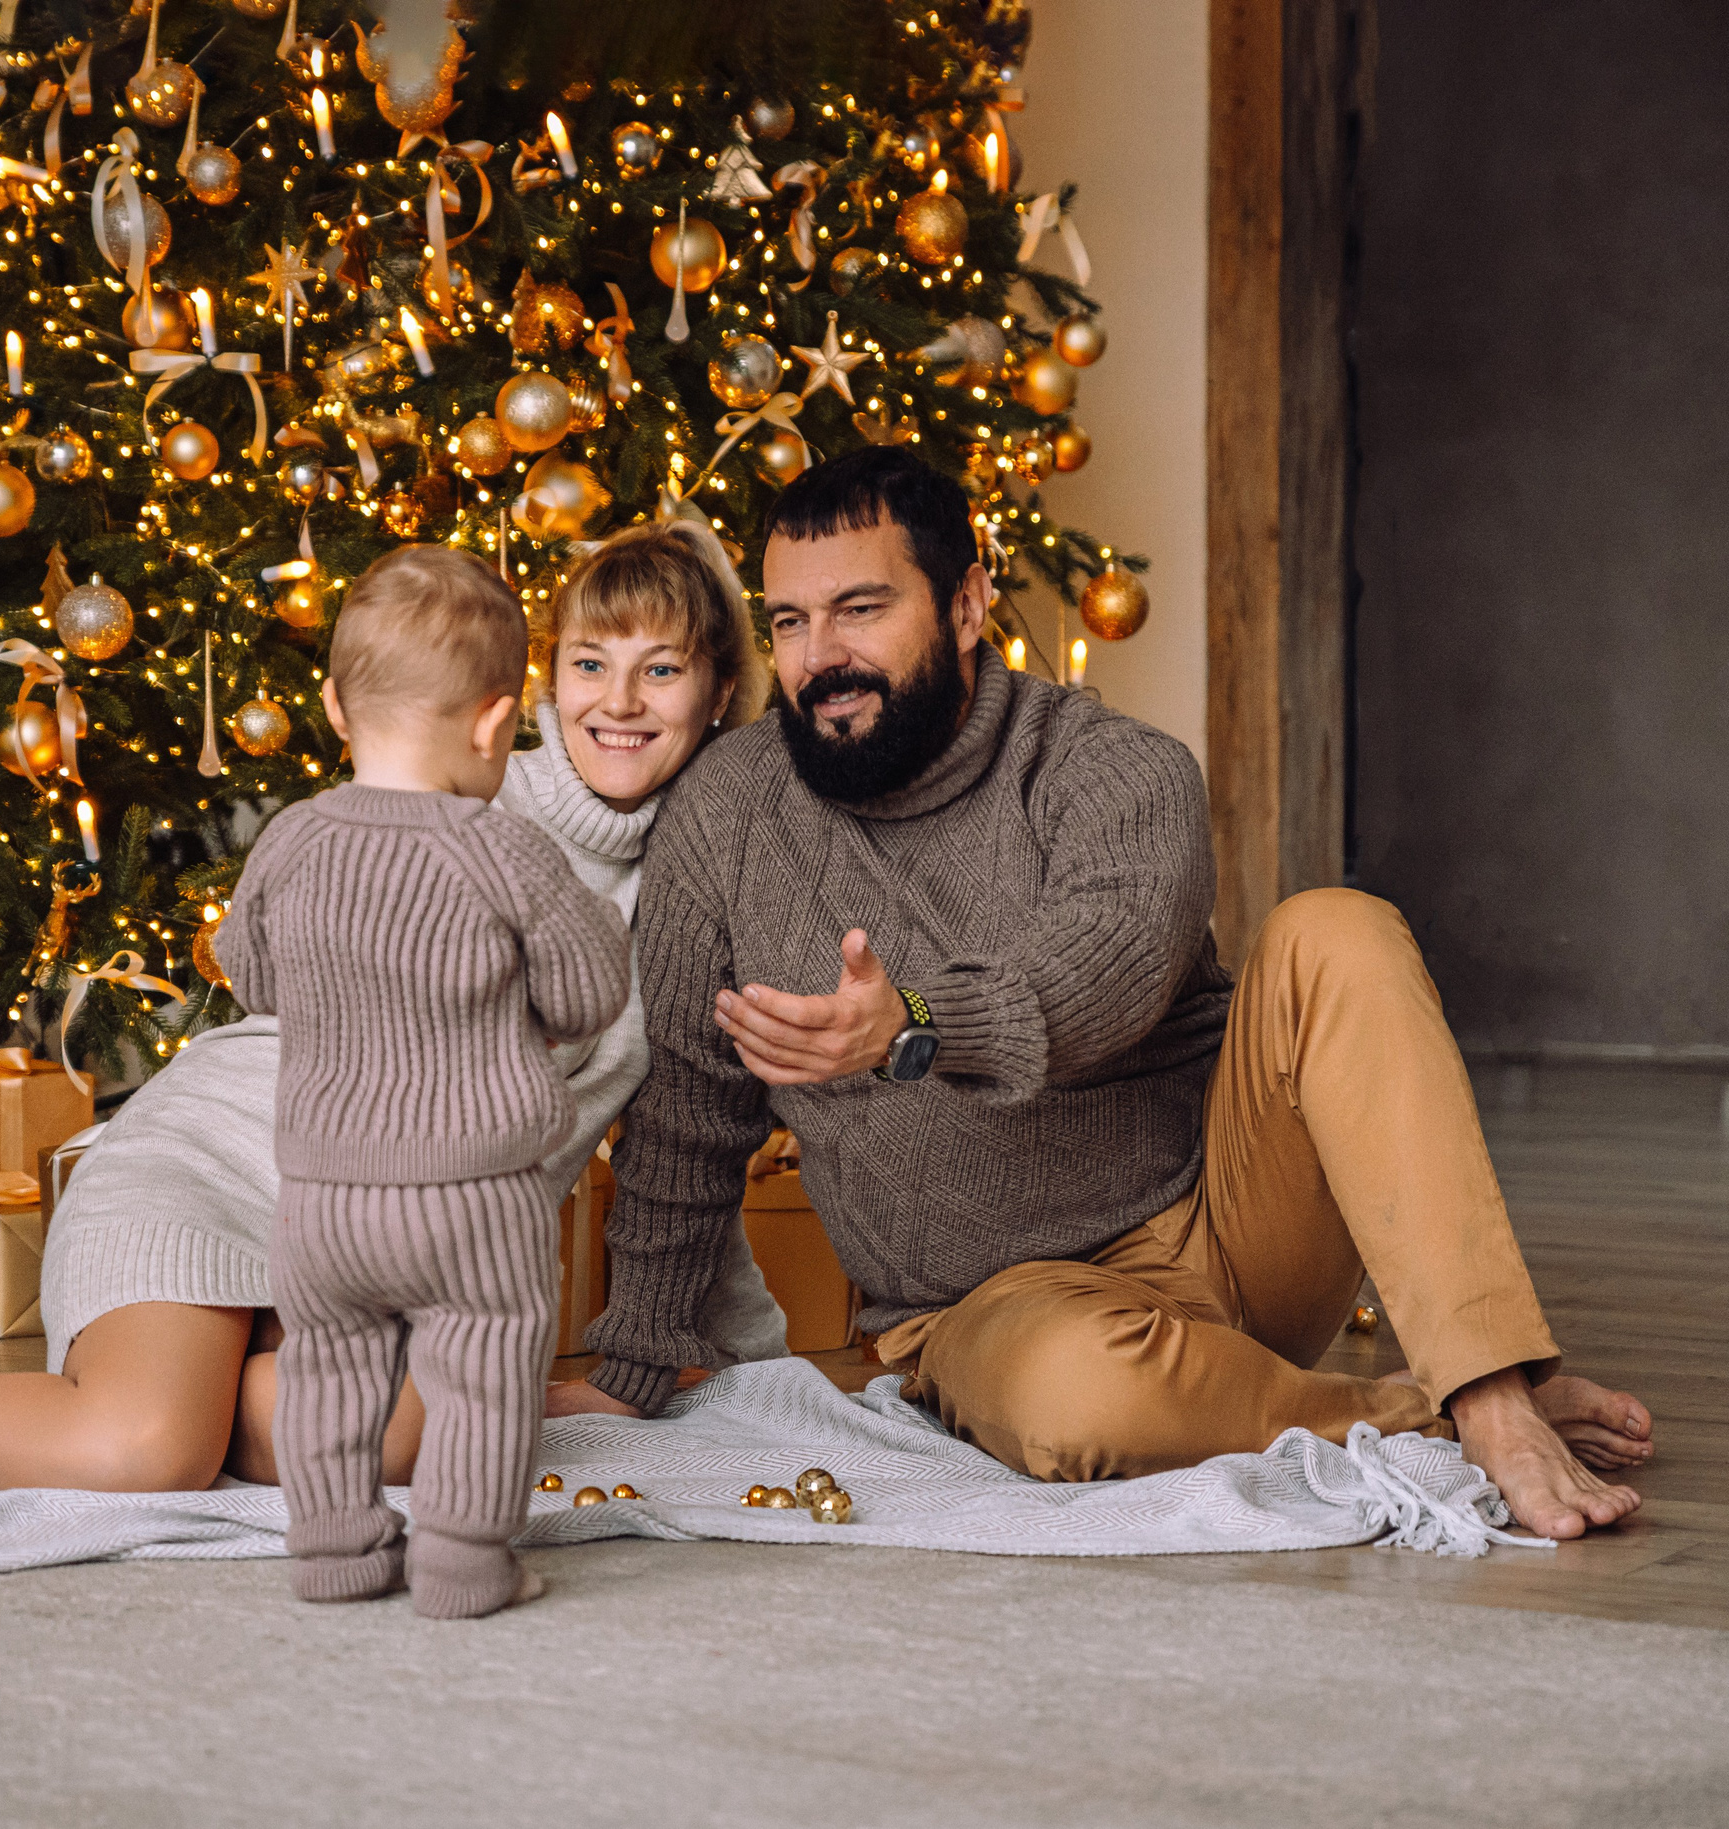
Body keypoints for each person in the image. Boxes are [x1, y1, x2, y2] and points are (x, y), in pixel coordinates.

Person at [548, 445, 1657, 1542]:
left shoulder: (1111, 767)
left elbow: (1104, 969)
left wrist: (915, 1022)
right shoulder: (726, 812)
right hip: (986, 1307)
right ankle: (1427, 1414)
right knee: (1071, 1401)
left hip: (1226, 1220)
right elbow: (687, 1111)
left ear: (968, 603)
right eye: (788, 621)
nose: (819, 655)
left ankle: (1494, 1393)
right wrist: (635, 1364)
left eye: (860, 609)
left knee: (1338, 928)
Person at [0, 520, 784, 1493]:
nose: (619, 699)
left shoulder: (706, 889)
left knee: (390, 1438)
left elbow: (687, 1125)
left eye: (660, 668)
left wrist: (689, 1357)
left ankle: (233, 1379)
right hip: (223, 1161)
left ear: (719, 689)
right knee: (144, 1452)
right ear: (533, 686)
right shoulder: (455, 791)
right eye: (589, 662)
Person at [223, 546, 632, 1618]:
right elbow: (590, 996)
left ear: (331, 705)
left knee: (326, 1363)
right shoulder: (504, 850)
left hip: (321, 1193)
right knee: (485, 1365)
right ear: (497, 724)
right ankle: (461, 1560)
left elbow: (251, 972)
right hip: (473, 1190)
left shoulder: (290, 840)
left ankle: (334, 1550)